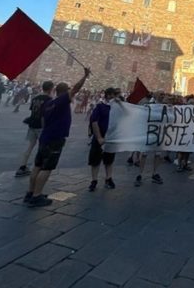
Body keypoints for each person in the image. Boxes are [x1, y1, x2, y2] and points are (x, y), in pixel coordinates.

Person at [24, 67, 90, 207]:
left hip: (45, 137)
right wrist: (85, 76)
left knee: (37, 166)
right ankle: (36, 196)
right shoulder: (61, 101)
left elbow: (43, 121)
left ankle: (30, 193)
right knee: (46, 168)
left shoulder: (48, 103)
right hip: (54, 139)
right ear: (65, 92)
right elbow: (76, 88)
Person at [15, 80, 54, 177]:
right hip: (41, 126)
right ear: (50, 89)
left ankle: (22, 166)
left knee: (30, 146)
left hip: (32, 124)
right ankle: (38, 167)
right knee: (42, 148)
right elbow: (47, 115)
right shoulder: (49, 100)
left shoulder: (35, 98)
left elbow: (32, 111)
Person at [88, 87, 117, 191]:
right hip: (99, 137)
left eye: (114, 94)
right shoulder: (100, 106)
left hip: (111, 138)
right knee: (95, 160)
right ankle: (94, 180)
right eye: (111, 94)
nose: (112, 96)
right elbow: (94, 121)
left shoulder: (116, 108)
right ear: (107, 95)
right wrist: (99, 137)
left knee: (109, 160)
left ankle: (108, 178)